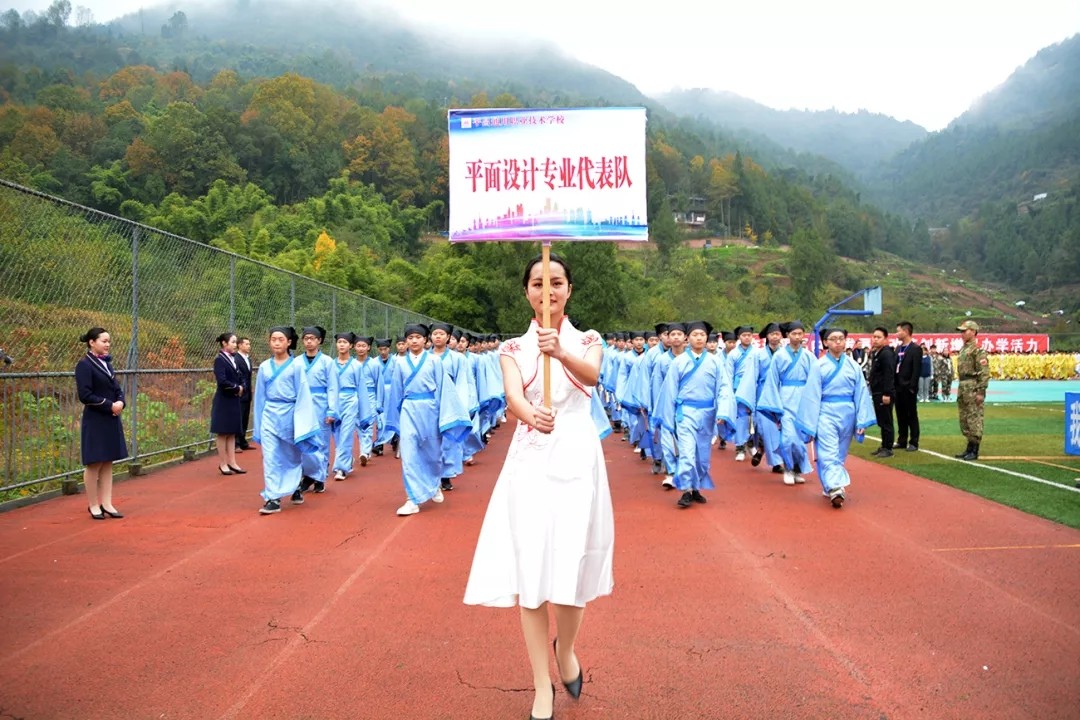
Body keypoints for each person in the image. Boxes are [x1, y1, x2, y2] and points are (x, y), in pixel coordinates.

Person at [464, 253, 612, 720]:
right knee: (532, 573)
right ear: (525, 291)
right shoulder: (510, 347)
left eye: (556, 282)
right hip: (531, 457)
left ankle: (565, 650)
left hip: (576, 456)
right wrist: (532, 415)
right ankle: (540, 684)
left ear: (569, 289)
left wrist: (560, 352)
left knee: (571, 571)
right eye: (537, 283)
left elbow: (592, 376)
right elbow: (513, 398)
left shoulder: (588, 340)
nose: (547, 291)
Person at [384, 324, 471, 516]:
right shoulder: (399, 363)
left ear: (425, 340)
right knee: (409, 451)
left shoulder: (433, 361)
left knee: (432, 451)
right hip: (409, 409)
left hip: (431, 409)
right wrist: (393, 419)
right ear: (406, 341)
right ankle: (411, 499)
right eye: (410, 337)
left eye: (418, 337)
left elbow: (444, 390)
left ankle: (434, 484)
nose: (414, 341)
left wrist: (446, 416)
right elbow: (396, 392)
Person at [654, 320, 735, 508]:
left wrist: (723, 411)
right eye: (695, 335)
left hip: (707, 413)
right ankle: (686, 490)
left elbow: (724, 388)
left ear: (707, 338)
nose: (699, 338)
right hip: (685, 413)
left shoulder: (716, 362)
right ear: (687, 338)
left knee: (702, 456)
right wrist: (669, 417)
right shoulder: (679, 362)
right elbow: (669, 391)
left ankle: (696, 485)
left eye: (702, 335)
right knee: (687, 453)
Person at [253, 326, 320, 515]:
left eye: (280, 339)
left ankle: (295, 485)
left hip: (290, 414)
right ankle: (273, 497)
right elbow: (259, 397)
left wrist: (304, 423)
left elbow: (303, 395)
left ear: (289, 342)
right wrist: (258, 424)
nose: (276, 343)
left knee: (291, 456)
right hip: (269, 414)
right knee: (271, 456)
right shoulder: (265, 367)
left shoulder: (297, 366)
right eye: (273, 339)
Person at [806, 328, 876, 508]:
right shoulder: (818, 366)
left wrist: (861, 420)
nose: (838, 342)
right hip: (826, 412)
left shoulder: (853, 366)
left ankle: (828, 483)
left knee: (840, 453)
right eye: (833, 339)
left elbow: (861, 393)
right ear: (825, 343)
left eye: (841, 339)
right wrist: (810, 423)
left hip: (848, 413)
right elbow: (812, 395)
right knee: (828, 451)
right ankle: (836, 488)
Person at [757, 321, 819, 486]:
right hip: (785, 398)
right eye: (794, 334)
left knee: (799, 439)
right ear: (788, 335)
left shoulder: (809, 356)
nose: (797, 337)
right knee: (787, 438)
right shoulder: (779, 356)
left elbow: (815, 380)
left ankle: (797, 469)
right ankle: (788, 467)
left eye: (800, 333)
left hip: (804, 399)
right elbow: (772, 381)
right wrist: (774, 404)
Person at [75, 327, 128, 520]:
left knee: (107, 462)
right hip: (96, 419)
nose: (107, 345)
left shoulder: (107, 364)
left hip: (110, 418)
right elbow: (85, 395)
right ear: (92, 342)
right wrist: (109, 405)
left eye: (109, 341)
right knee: (94, 463)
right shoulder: (84, 365)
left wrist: (121, 401)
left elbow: (116, 388)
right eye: (104, 341)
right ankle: (93, 505)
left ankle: (107, 503)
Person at [298, 326, 339, 494]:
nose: (309, 341)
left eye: (312, 338)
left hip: (320, 405)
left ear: (319, 341)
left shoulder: (327, 361)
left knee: (321, 442)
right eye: (306, 338)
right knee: (304, 441)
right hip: (302, 406)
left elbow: (332, 387)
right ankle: (308, 475)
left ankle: (320, 477)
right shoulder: (296, 362)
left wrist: (331, 410)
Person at [954, 320, 990, 461]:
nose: (962, 334)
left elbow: (984, 373)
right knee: (964, 418)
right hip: (963, 386)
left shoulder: (978, 351)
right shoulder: (964, 350)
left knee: (974, 417)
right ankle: (969, 446)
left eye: (965, 331)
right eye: (961, 331)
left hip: (973, 386)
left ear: (973, 331)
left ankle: (975, 449)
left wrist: (981, 391)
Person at [211, 332, 246, 476]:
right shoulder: (219, 360)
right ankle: (223, 463)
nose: (234, 344)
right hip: (224, 400)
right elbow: (222, 381)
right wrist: (237, 388)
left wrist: (242, 386)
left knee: (231, 432)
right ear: (224, 343)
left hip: (234, 399)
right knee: (223, 432)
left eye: (235, 342)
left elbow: (241, 376)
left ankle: (232, 462)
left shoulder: (234, 359)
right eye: (232, 342)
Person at [867, 327, 897, 458]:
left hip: (883, 392)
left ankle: (888, 447)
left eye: (878, 337)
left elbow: (889, 374)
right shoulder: (877, 353)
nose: (875, 339)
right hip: (877, 391)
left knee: (886, 420)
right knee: (881, 420)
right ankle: (884, 444)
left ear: (885, 339)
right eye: (874, 337)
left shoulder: (886, 354)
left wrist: (887, 393)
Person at [894, 321, 922, 452]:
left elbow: (916, 370)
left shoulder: (915, 349)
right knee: (900, 415)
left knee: (911, 415)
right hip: (898, 387)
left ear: (906, 331)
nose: (897, 333)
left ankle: (914, 441)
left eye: (899, 331)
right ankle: (902, 440)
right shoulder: (898, 348)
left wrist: (912, 387)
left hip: (908, 388)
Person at [235, 337, 254, 450]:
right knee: (239, 417)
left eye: (249, 344)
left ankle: (243, 442)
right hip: (240, 392)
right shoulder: (236, 359)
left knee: (245, 417)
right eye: (246, 344)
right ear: (240, 345)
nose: (249, 346)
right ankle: (236, 443)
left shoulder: (248, 359)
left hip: (248, 393)